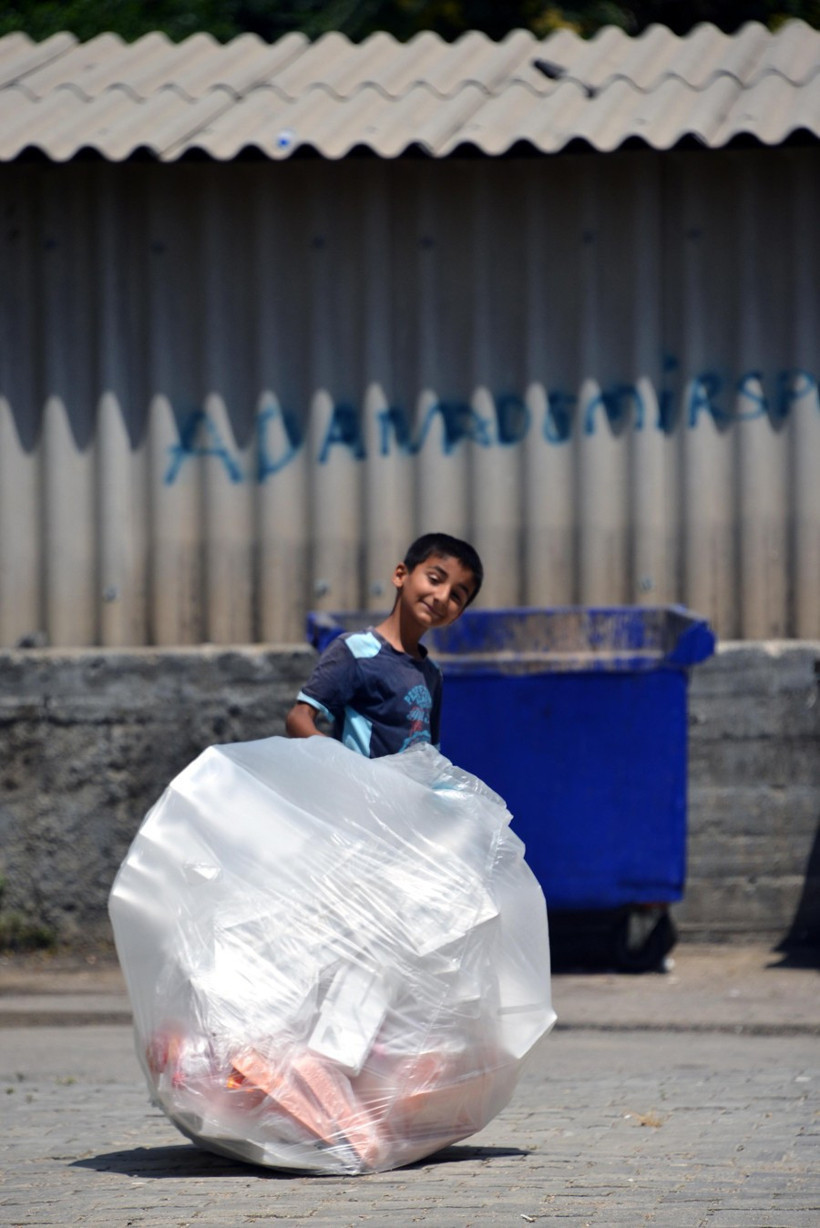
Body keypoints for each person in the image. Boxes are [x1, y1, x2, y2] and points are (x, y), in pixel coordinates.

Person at [285, 533, 483, 758]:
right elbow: (298, 718)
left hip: (406, 793)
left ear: (458, 615)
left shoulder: (432, 674)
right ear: (401, 575)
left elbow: (430, 756)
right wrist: (345, 765)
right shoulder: (355, 651)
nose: (442, 597)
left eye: (456, 596)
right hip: (360, 792)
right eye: (434, 579)